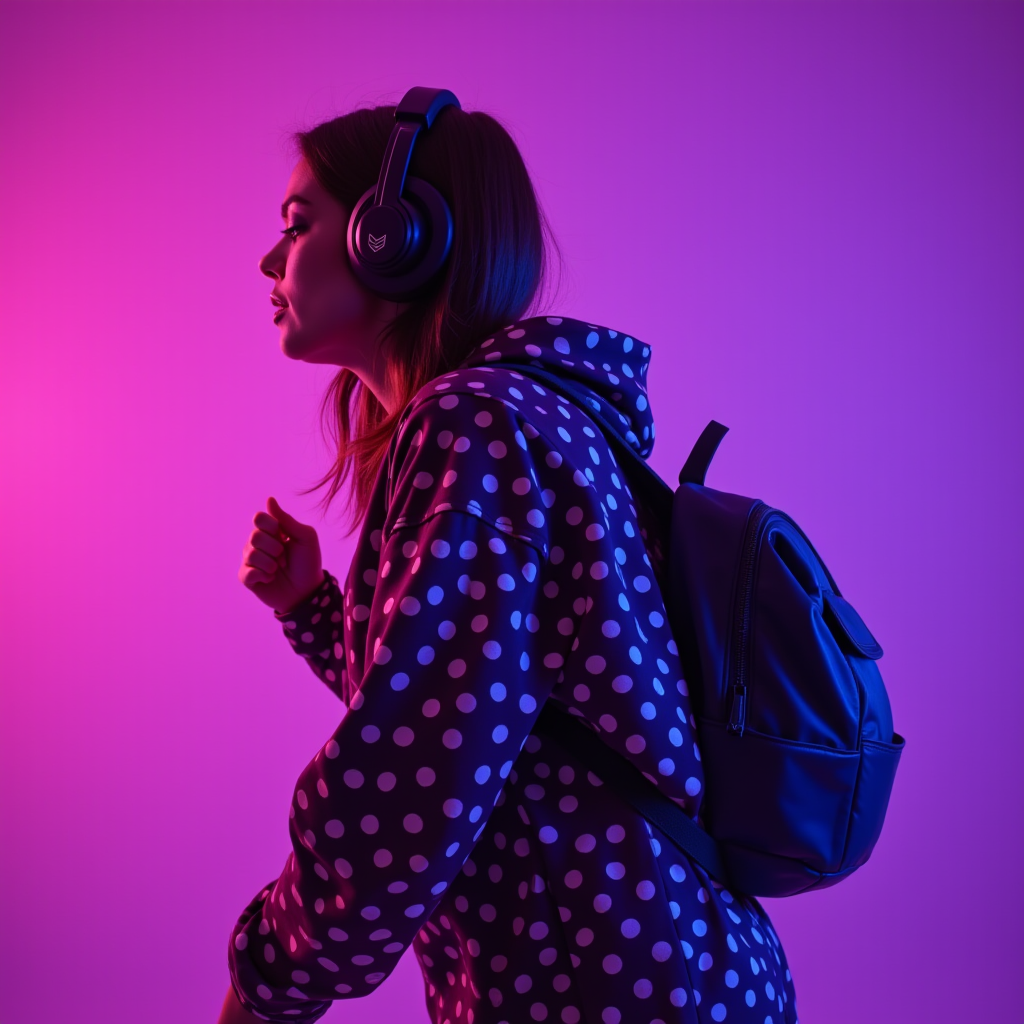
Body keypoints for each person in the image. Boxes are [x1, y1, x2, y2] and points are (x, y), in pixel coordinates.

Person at [218, 100, 798, 1024]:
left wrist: (264, 986)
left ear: (390, 238)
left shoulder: (475, 425)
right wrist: (315, 609)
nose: (267, 259)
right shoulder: (522, 418)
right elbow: (486, 702)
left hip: (607, 982)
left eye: (297, 225)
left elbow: (408, 785)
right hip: (657, 967)